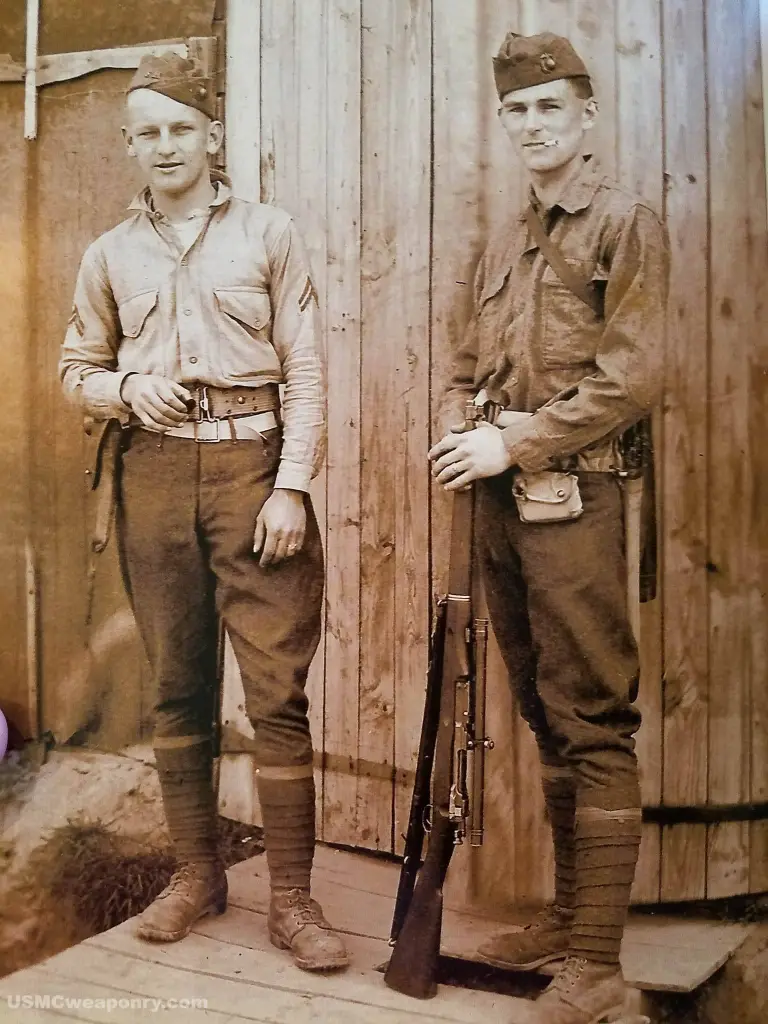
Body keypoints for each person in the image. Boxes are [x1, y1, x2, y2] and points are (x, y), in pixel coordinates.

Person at [59, 52, 349, 973]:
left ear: (212, 136)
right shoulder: (109, 254)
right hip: (152, 476)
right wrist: (124, 389)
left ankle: (292, 900)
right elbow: (75, 371)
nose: (166, 145)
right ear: (129, 145)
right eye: (148, 132)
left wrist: (292, 485)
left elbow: (305, 367)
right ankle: (196, 875)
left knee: (275, 691)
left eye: (182, 128)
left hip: (251, 471)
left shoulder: (269, 232)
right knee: (176, 684)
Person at [428, 31, 668, 1023]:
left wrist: (514, 442)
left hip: (578, 498)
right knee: (541, 707)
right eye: (516, 111)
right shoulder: (504, 239)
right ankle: (571, 922)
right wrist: (460, 424)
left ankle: (598, 965)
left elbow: (633, 377)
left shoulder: (623, 223)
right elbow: (463, 360)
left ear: (586, 115)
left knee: (592, 718)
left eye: (548, 108)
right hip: (500, 502)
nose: (532, 126)